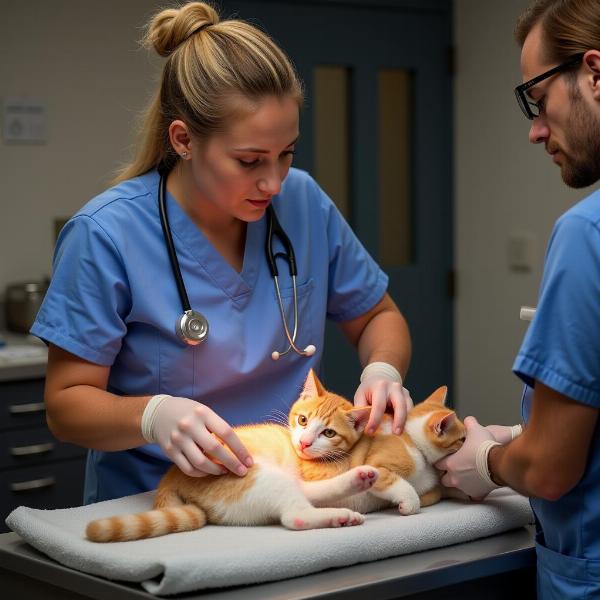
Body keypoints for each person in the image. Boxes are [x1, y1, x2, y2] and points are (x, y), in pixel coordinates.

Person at [32, 1, 412, 505]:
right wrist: (150, 416)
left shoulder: (303, 203)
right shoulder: (106, 234)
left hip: (294, 496)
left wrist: (382, 371)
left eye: (287, 153)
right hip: (161, 506)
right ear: (184, 140)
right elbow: (66, 405)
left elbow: (377, 317)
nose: (274, 182)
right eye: (250, 160)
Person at [436, 0, 600, 596]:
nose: (535, 129)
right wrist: (529, 436)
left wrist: (488, 461)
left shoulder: (589, 235)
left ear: (595, 73)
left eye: (538, 100)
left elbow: (551, 472)